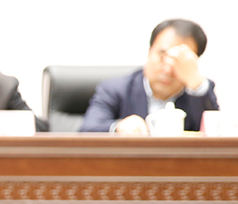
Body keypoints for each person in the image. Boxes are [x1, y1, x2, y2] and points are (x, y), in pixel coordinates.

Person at [81, 19, 218, 134]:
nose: (167, 69)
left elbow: (217, 134)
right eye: (162, 54)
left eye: (178, 60)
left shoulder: (199, 93)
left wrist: (197, 85)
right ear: (149, 52)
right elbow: (88, 129)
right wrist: (119, 127)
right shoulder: (116, 89)